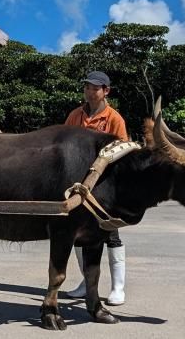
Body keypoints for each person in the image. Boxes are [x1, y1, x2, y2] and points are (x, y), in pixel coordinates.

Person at [64, 71, 129, 307]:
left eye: (95, 88)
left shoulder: (114, 118)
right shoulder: (75, 115)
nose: (90, 91)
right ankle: (86, 283)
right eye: (87, 87)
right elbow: (64, 145)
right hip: (78, 184)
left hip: (104, 184)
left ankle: (117, 287)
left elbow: (123, 150)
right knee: (79, 235)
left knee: (110, 233)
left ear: (106, 91)